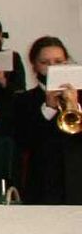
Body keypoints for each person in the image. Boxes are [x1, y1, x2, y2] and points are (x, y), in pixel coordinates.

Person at [11, 36, 82, 204]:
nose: (53, 68)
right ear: (34, 66)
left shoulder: (80, 97)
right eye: (45, 63)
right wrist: (48, 109)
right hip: (43, 184)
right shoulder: (24, 100)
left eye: (58, 62)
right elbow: (23, 142)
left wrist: (75, 106)